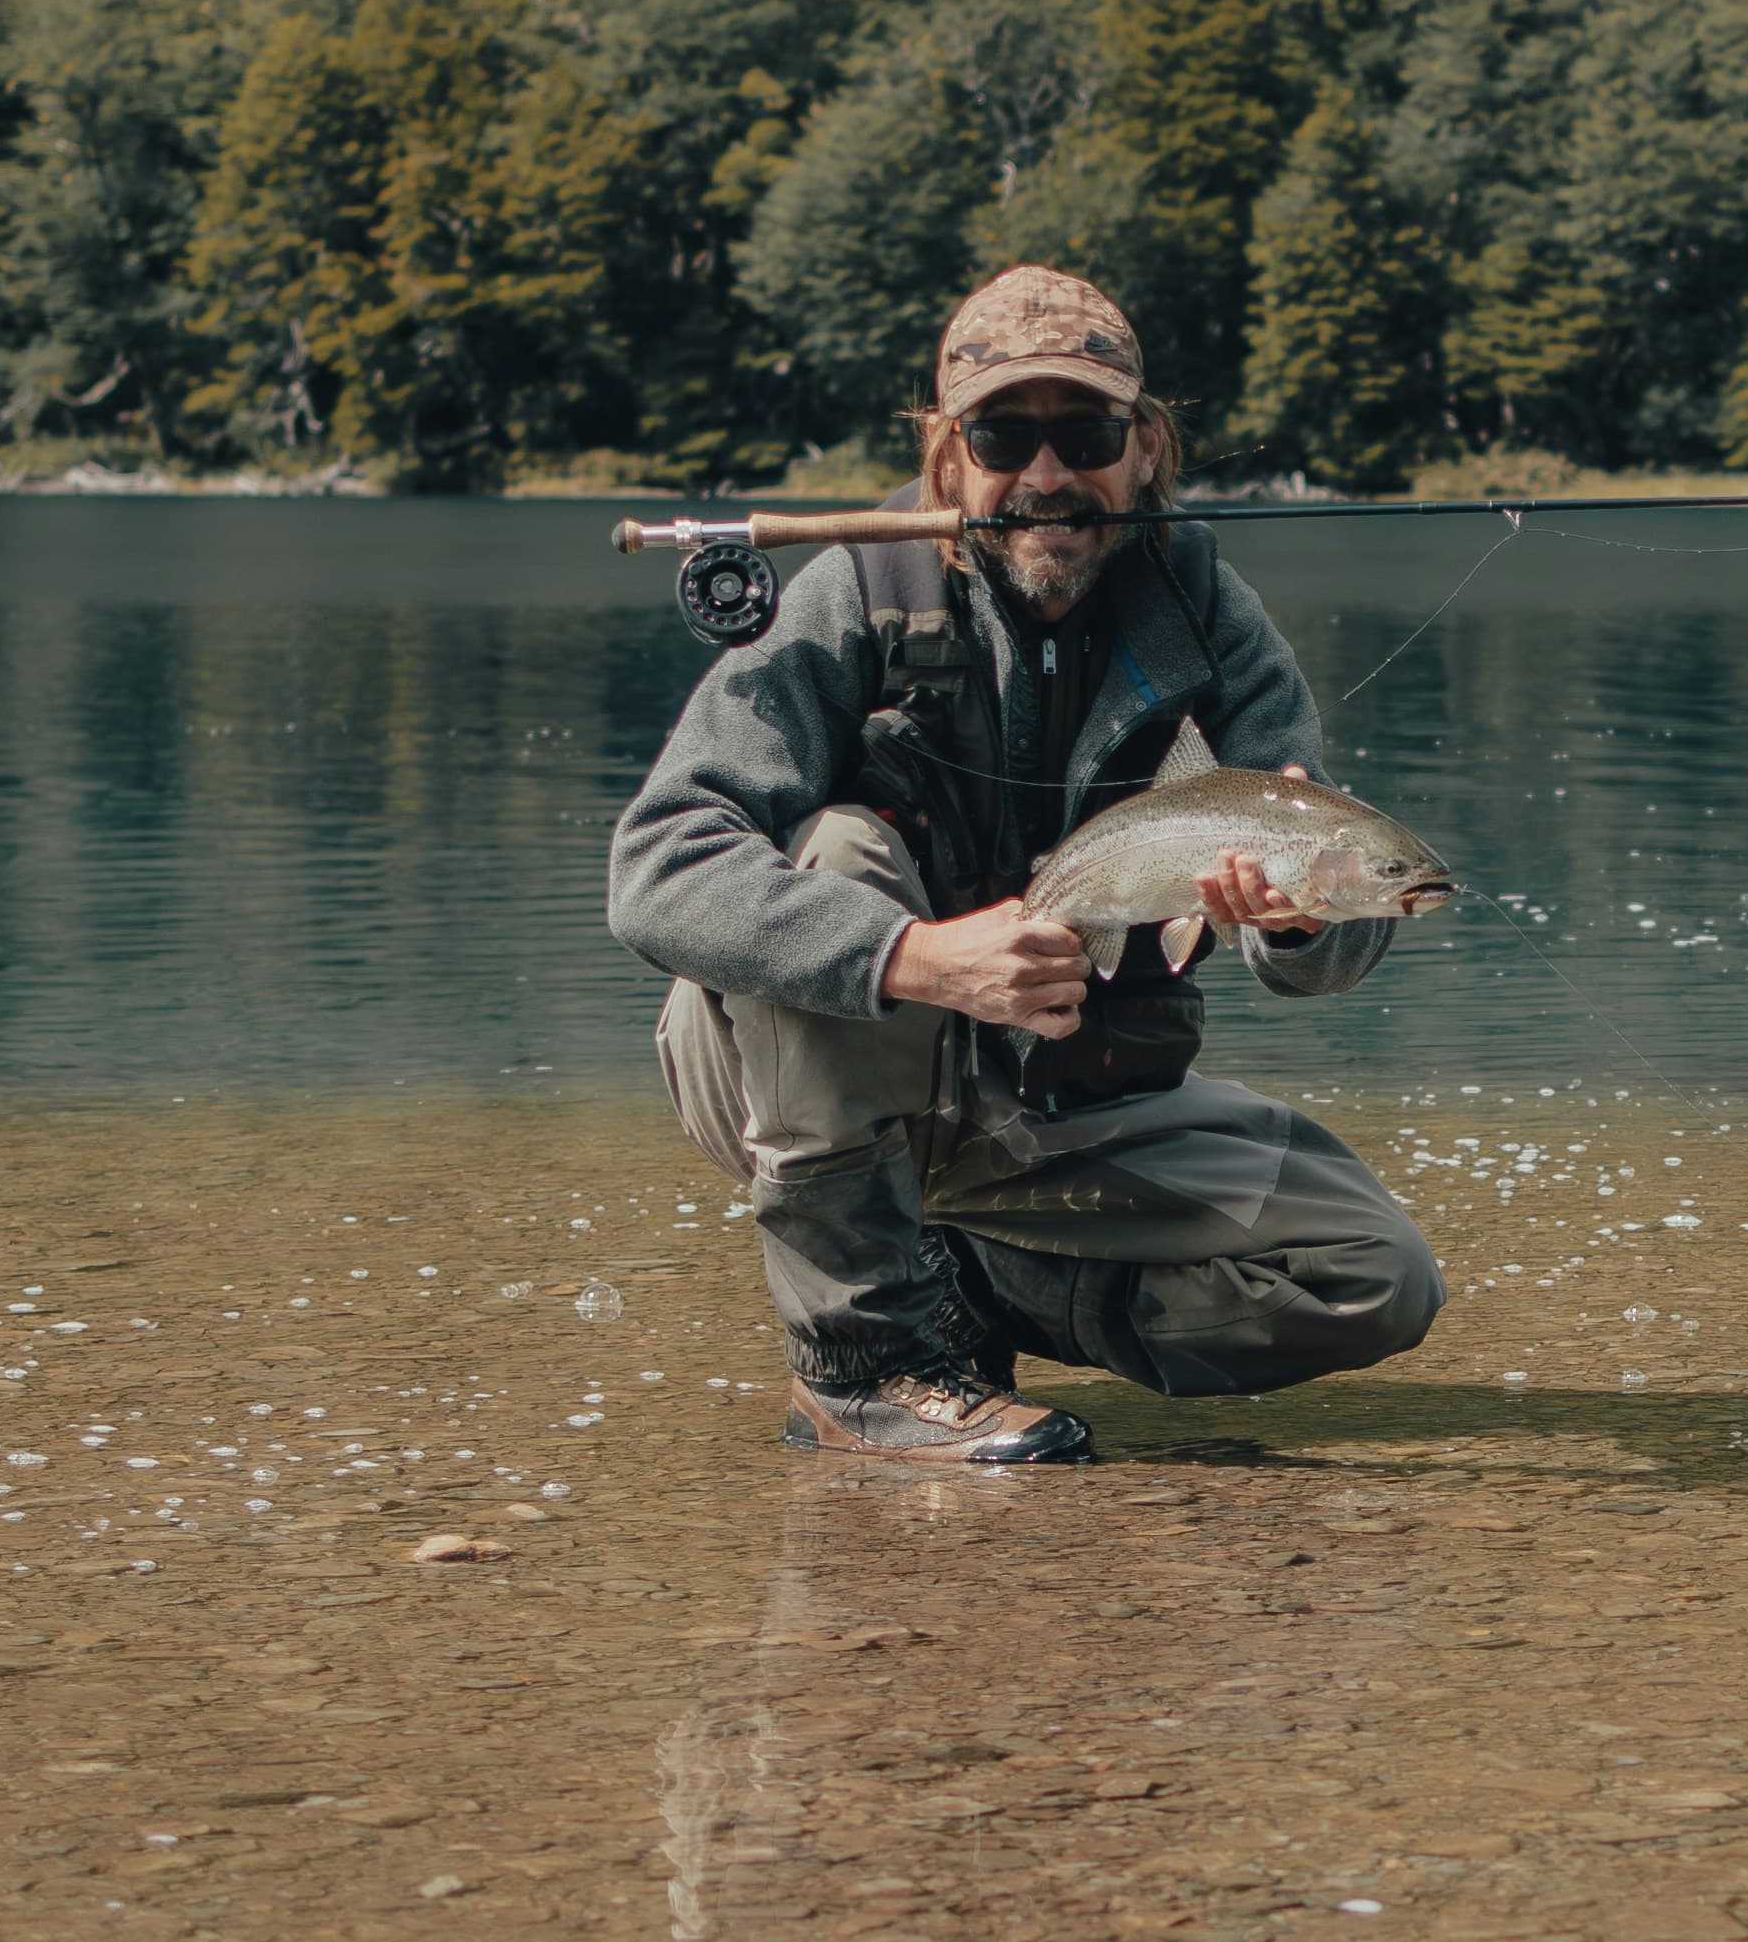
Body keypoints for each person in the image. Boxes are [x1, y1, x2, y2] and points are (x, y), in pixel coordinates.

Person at [606, 264, 1443, 1462]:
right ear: (949, 457)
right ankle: (863, 1367)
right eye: (1005, 434)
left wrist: (1299, 923)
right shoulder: (856, 590)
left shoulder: (1209, 618)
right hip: (800, 1086)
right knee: (837, 850)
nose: (1046, 475)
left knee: (1377, 1277)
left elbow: (1324, 953)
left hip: (1056, 1111)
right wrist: (914, 957)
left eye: (1085, 432)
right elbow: (655, 867)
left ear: (1145, 449)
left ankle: (968, 1294)